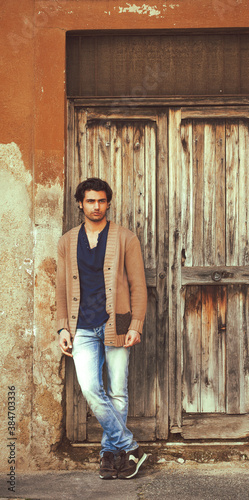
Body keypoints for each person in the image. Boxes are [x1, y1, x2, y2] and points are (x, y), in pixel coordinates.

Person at [56, 177, 148, 480]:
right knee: (92, 389)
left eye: (102, 200)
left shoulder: (125, 238)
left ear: (108, 203)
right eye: (90, 200)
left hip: (117, 325)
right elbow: (60, 289)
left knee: (118, 391)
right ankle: (130, 447)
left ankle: (110, 456)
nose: (96, 206)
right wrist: (62, 328)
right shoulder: (68, 241)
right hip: (81, 326)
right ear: (80, 203)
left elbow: (138, 286)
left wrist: (135, 324)